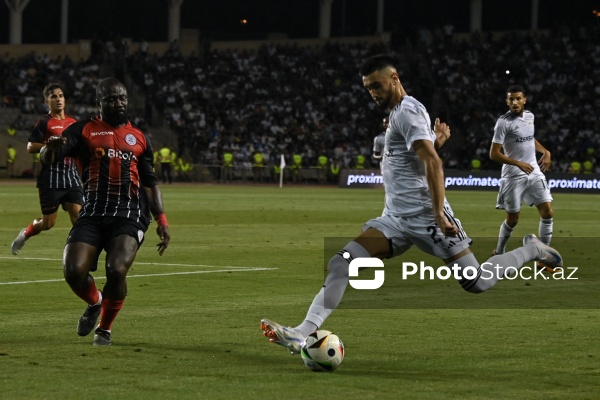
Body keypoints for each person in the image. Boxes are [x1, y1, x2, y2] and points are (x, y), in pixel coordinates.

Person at [260, 54, 563, 354]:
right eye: (368, 88)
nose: (373, 93)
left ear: (394, 78)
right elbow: (418, 155)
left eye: (377, 86)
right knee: (342, 262)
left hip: (428, 218)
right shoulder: (397, 114)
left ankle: (534, 249)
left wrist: (437, 212)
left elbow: (433, 162)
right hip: (394, 220)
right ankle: (302, 332)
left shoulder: (408, 111)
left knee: (477, 282)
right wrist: (436, 138)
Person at [40, 77, 170, 346]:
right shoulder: (83, 129)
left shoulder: (140, 138)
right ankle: (95, 301)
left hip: (129, 214)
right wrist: (48, 149)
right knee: (73, 271)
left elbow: (150, 183)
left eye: (122, 98)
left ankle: (104, 329)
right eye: (112, 98)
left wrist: (162, 220)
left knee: (116, 268)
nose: (119, 103)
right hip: (94, 212)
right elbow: (52, 154)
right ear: (99, 102)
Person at [489, 85, 556, 272]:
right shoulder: (503, 123)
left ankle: (544, 259)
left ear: (524, 100)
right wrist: (518, 163)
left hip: (534, 171)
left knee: (548, 213)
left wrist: (545, 151)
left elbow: (529, 137)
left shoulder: (530, 117)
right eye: (511, 99)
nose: (514, 102)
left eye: (518, 98)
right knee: (513, 219)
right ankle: (499, 252)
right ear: (507, 101)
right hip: (513, 175)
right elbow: (494, 154)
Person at [11, 82, 83, 255]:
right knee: (48, 223)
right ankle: (26, 233)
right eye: (53, 96)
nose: (58, 99)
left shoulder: (74, 123)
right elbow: (30, 147)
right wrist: (49, 145)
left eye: (60, 95)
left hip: (71, 177)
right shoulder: (44, 122)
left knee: (79, 217)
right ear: (46, 101)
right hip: (50, 178)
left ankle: (79, 253)